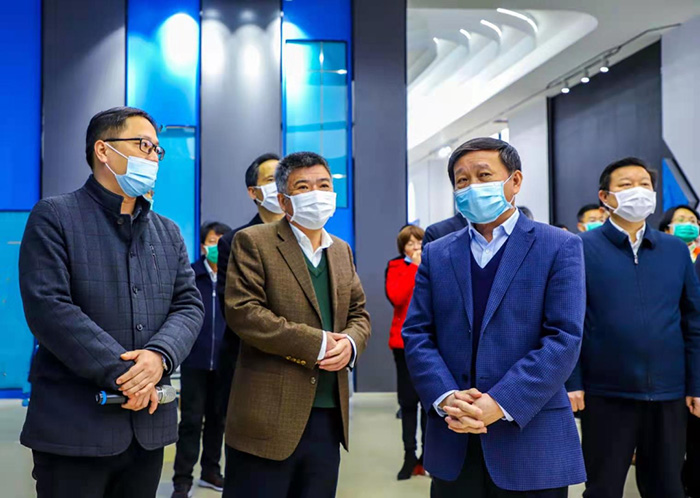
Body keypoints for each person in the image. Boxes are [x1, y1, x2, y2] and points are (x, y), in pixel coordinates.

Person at [18, 106, 205, 498]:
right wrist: (131, 375)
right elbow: (49, 307)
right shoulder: (54, 217)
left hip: (147, 429)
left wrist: (159, 356)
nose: (154, 157)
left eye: (157, 150)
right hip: (75, 427)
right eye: (143, 145)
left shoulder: (168, 232)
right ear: (103, 150)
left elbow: (189, 306)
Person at [403, 137, 586, 497]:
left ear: (515, 181)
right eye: (462, 180)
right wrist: (446, 398)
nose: (472, 186)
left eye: (484, 175)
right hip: (454, 436)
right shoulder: (437, 254)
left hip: (530, 441)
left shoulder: (559, 246)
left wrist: (500, 402)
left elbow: (564, 338)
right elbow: (418, 333)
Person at [222, 151, 371, 497]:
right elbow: (243, 312)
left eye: (324, 185)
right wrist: (317, 344)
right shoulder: (254, 241)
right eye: (303, 187)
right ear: (284, 201)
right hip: (267, 417)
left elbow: (359, 313)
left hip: (328, 416)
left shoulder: (341, 250)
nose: (316, 194)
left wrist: (350, 343)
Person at [566, 157, 700, 498]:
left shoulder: (675, 250)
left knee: (667, 488)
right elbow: (569, 322)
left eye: (644, 184)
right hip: (606, 392)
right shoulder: (580, 249)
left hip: (669, 393)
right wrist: (573, 381)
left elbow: (693, 322)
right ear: (605, 197)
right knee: (603, 488)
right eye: (626, 185)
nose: (638, 191)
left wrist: (696, 383)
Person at [172, 221, 232, 497]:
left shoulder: (235, 276)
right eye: (212, 241)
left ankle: (210, 471)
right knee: (191, 421)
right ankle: (182, 479)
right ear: (203, 245)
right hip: (194, 361)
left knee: (218, 420)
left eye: (222, 241)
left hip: (224, 362)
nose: (217, 246)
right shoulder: (191, 275)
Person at [216, 153, 284, 371]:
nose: (279, 185)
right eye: (271, 179)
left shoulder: (306, 237)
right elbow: (235, 309)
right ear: (253, 192)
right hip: (250, 361)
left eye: (283, 178)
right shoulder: (234, 241)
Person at [385, 224, 427, 480]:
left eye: (419, 242)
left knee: (430, 404)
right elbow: (397, 297)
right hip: (403, 344)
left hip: (431, 343)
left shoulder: (434, 264)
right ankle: (409, 455)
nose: (415, 248)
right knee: (408, 403)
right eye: (410, 244)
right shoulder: (396, 266)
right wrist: (414, 267)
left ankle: (427, 457)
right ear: (402, 248)